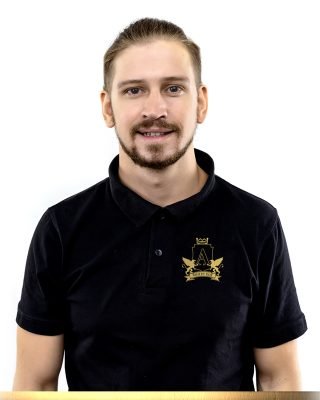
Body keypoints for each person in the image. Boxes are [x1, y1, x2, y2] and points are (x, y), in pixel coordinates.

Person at [13, 18, 307, 391]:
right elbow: (34, 386)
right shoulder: (60, 229)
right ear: (107, 107)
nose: (155, 108)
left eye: (172, 88)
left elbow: (279, 379)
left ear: (200, 102)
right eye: (134, 91)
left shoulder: (256, 223)